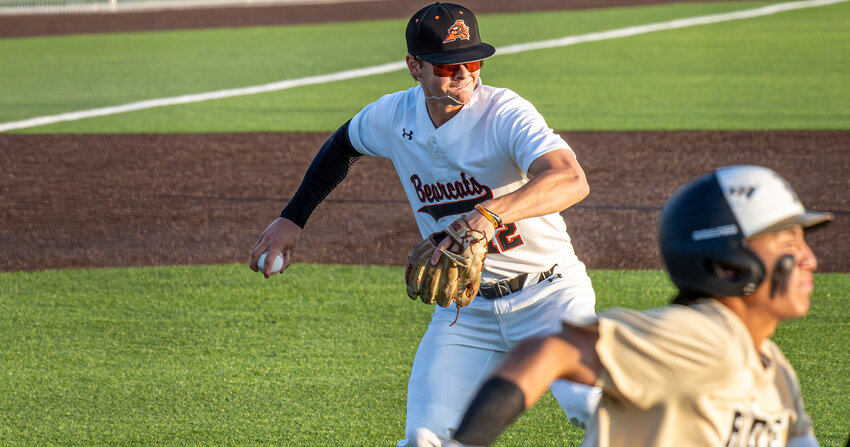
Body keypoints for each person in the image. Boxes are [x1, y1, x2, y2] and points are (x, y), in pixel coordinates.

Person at [249, 2, 600, 445]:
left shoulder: (505, 112)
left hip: (550, 298)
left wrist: (488, 214)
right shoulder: (394, 116)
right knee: (425, 438)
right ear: (414, 66)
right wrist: (292, 219)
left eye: (472, 61)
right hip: (465, 314)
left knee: (597, 411)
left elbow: (570, 178)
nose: (465, 74)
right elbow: (342, 145)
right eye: (448, 66)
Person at [450, 165, 832, 446]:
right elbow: (549, 350)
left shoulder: (775, 371)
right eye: (787, 243)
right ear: (727, 264)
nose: (809, 259)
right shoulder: (702, 336)